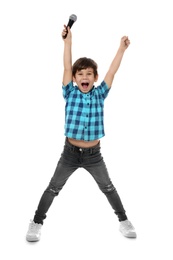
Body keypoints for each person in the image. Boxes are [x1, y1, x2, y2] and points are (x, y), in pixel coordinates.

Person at [26, 24, 137, 242]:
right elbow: (67, 66)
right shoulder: (70, 92)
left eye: (89, 74)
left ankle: (123, 220)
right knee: (53, 187)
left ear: (95, 78)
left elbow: (112, 71)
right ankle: (36, 223)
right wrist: (68, 42)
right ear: (75, 79)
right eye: (80, 74)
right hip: (69, 152)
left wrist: (121, 50)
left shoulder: (100, 94)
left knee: (108, 187)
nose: (84, 77)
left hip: (94, 154)